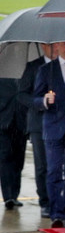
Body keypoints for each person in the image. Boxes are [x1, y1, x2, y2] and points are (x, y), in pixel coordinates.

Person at [33, 41, 65, 228]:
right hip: (54, 126)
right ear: (58, 47)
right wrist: (45, 100)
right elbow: (35, 98)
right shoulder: (47, 70)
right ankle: (56, 214)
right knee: (54, 170)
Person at [18, 43, 57, 218]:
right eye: (53, 45)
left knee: (58, 165)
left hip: (61, 123)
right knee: (43, 166)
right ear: (43, 46)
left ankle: (58, 200)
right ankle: (45, 202)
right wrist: (41, 101)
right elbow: (22, 95)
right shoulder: (33, 67)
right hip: (39, 124)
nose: (57, 48)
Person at [0, 73, 28, 210]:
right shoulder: (3, 71)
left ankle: (15, 195)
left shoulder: (27, 73)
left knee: (19, 160)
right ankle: (8, 196)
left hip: (21, 123)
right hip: (4, 122)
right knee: (5, 159)